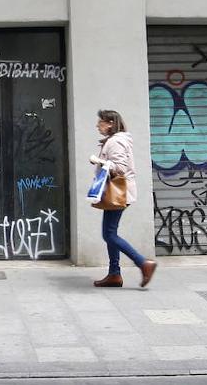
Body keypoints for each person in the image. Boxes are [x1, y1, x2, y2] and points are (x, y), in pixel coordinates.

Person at [89, 109, 157, 288]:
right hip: (117, 192)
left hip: (118, 192)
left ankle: (143, 263)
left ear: (110, 123)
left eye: (100, 122)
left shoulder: (116, 142)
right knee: (110, 233)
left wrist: (99, 161)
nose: (97, 125)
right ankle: (114, 274)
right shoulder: (115, 140)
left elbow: (119, 168)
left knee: (109, 234)